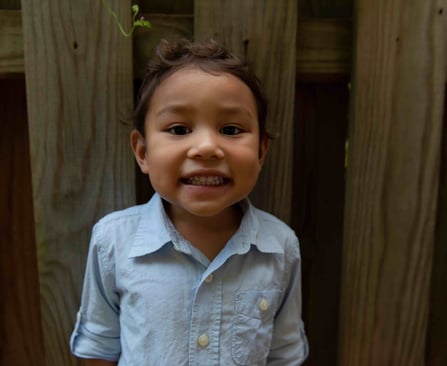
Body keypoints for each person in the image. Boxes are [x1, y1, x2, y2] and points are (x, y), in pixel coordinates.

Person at [70, 38, 308, 365]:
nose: (207, 147)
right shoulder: (113, 242)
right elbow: (98, 348)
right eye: (180, 129)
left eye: (230, 128)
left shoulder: (280, 247)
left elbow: (284, 354)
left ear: (261, 151)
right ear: (142, 152)